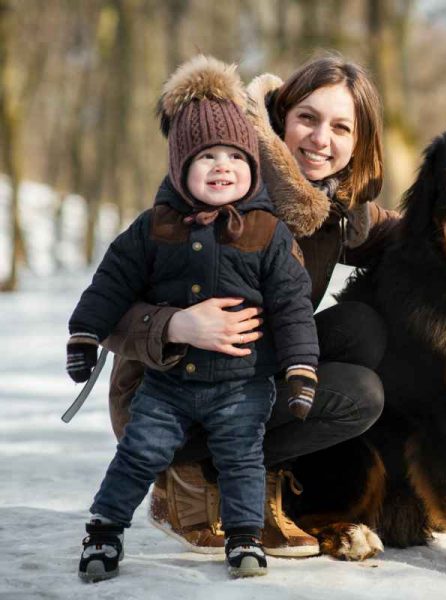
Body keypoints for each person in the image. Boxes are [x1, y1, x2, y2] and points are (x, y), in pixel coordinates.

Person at [101, 53, 398, 560]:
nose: (321, 139)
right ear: (281, 118)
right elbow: (108, 312)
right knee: (358, 394)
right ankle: (187, 478)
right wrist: (177, 324)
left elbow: (410, 231)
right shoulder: (220, 185)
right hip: (166, 392)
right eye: (308, 118)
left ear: (359, 140)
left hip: (245, 377)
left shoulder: (332, 207)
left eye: (341, 127)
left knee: (361, 329)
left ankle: (247, 475)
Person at [69, 56, 322, 581]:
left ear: (252, 163)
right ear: (181, 166)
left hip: (243, 384)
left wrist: (301, 368)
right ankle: (104, 531)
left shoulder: (268, 233)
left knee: (242, 458)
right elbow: (111, 281)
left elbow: (293, 305)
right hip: (168, 384)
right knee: (139, 452)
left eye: (234, 154)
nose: (223, 165)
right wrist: (84, 333)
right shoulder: (155, 227)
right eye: (207, 156)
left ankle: (245, 535)